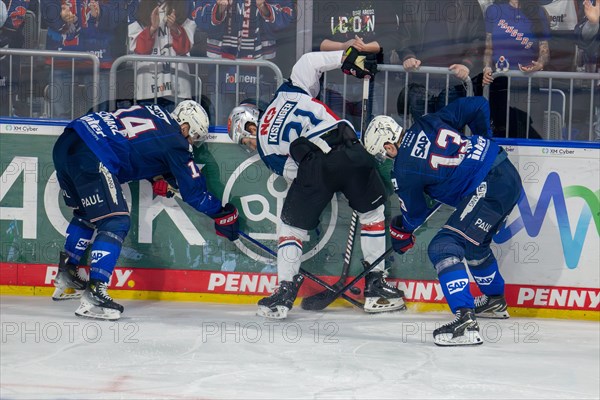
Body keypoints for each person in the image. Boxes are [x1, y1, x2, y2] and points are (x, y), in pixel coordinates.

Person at [227, 49, 406, 319]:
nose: (249, 145)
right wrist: (345, 57)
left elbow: (294, 172)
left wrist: (317, 183)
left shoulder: (264, 146)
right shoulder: (288, 91)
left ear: (250, 126)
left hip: (314, 166)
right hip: (349, 147)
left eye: (245, 139)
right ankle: (376, 286)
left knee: (289, 228)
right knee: (372, 214)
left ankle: (285, 291)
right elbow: (310, 61)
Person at [52, 100, 240, 320]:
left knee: (86, 213)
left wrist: (157, 175)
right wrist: (222, 214)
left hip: (68, 142)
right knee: (115, 221)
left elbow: (137, 144)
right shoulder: (176, 140)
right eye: (191, 136)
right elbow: (194, 193)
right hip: (93, 154)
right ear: (186, 126)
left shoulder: (155, 111)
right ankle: (95, 294)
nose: (189, 142)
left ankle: (67, 273)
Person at [362, 96, 523, 346]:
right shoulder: (428, 121)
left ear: (389, 144)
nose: (387, 159)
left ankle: (465, 321)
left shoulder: (403, 169)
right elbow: (479, 104)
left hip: (487, 187)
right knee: (472, 245)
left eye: (383, 154)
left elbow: (414, 215)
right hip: (506, 171)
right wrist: (485, 140)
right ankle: (494, 301)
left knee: (443, 246)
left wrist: (400, 232)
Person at [393, 0, 486, 120]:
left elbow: (478, 40)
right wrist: (408, 56)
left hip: (453, 84)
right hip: (420, 83)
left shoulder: (468, 3)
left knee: (449, 135)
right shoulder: (413, 3)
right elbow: (403, 38)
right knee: (422, 134)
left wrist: (466, 64)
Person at [42, 0, 128, 118]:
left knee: (101, 117)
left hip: (100, 59)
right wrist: (58, 14)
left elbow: (118, 10)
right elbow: (47, 7)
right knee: (59, 119)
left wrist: (101, 14)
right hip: (62, 58)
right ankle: (62, 135)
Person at [482, 0, 551, 138]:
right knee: (500, 132)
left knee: (529, 133)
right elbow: (488, 47)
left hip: (529, 83)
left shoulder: (538, 12)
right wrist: (486, 67)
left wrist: (540, 63)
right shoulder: (493, 10)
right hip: (500, 83)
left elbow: (545, 49)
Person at [128, 0, 196, 111]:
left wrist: (174, 28)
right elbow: (139, 49)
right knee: (150, 127)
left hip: (177, 86)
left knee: (174, 127)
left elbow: (185, 48)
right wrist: (152, 29)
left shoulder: (185, 4)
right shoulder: (137, 5)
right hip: (147, 87)